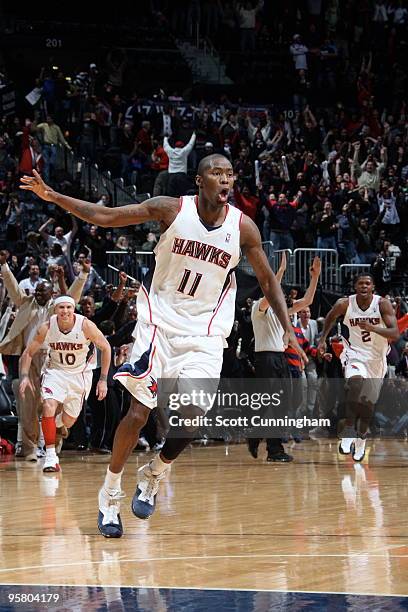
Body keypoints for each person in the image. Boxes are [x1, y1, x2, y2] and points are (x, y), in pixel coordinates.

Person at [21, 159, 304, 539]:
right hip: (160, 323)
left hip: (205, 333)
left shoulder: (243, 227)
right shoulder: (170, 208)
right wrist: (53, 195)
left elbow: (268, 280)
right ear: (199, 180)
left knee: (193, 415)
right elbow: (105, 217)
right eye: (218, 173)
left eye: (231, 174)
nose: (226, 179)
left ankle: (155, 471)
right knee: (139, 411)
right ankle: (109, 494)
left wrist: (289, 331)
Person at [0, 251, 89, 460]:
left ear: (51, 293)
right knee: (28, 404)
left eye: (42, 292)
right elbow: (13, 288)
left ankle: (52, 443)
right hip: (29, 358)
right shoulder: (26, 302)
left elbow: (72, 297)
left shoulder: (57, 309)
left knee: (53, 404)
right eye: (37, 291)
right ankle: (30, 448)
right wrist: (4, 267)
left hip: (53, 359)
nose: (38, 294)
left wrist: (83, 275)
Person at [19, 296, 111, 472]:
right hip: (55, 372)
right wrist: (24, 376)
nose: (65, 311)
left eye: (69, 307)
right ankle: (51, 457)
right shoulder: (47, 327)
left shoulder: (86, 326)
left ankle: (53, 424)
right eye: (61, 307)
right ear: (55, 310)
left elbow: (106, 348)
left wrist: (103, 380)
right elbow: (28, 353)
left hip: (80, 375)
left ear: (74, 308)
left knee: (68, 422)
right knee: (48, 405)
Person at [317, 274, 399, 461]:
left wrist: (373, 328)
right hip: (354, 353)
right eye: (360, 283)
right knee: (355, 384)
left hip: (377, 359)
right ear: (355, 287)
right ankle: (348, 431)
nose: (364, 286)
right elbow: (330, 317)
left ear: (373, 287)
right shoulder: (345, 304)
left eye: (367, 283)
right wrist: (322, 339)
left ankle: (361, 439)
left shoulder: (382, 304)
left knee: (368, 405)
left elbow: (395, 333)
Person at [248, 255, 322, 462]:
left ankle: (256, 436)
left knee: (278, 404)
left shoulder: (284, 312)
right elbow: (269, 292)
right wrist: (278, 273)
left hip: (280, 359)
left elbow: (307, 301)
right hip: (265, 359)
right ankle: (274, 449)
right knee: (274, 405)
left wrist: (315, 278)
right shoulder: (259, 308)